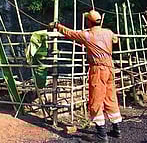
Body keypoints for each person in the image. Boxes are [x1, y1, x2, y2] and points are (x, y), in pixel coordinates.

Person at [49, 10, 121, 142]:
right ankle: (117, 129)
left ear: (89, 22)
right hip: (110, 68)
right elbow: (115, 39)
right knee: (110, 96)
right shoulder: (109, 32)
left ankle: (101, 135)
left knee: (96, 99)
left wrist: (57, 26)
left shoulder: (87, 35)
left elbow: (70, 33)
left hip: (98, 69)